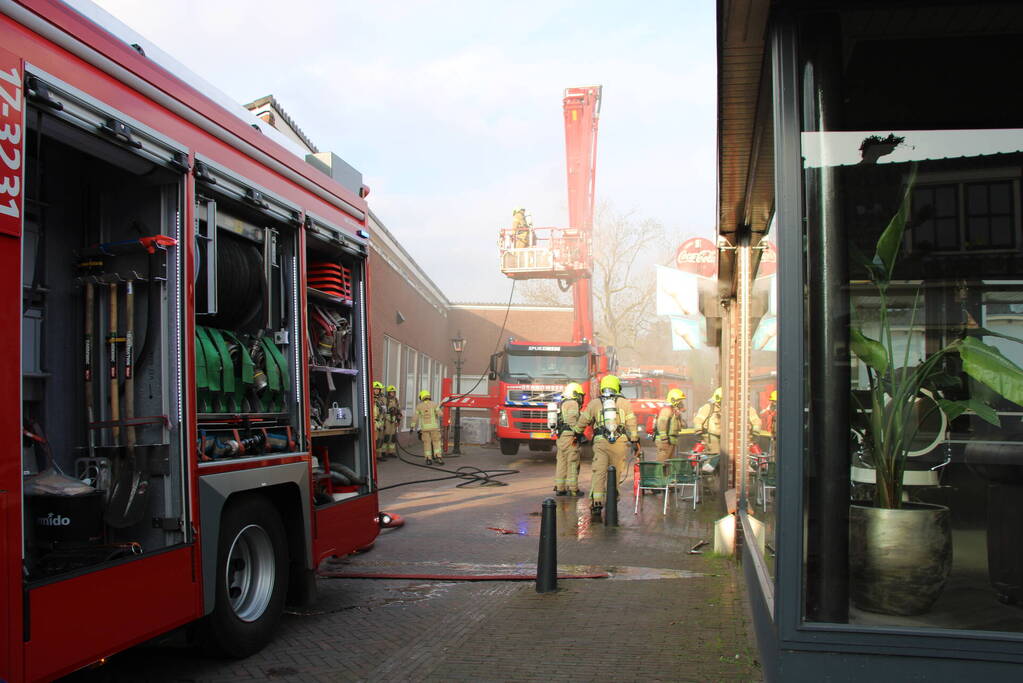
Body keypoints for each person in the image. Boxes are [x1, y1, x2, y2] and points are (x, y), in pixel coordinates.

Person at [574, 374, 639, 517]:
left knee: (599, 472)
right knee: (615, 473)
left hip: (601, 442)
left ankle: (596, 502)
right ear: (617, 387)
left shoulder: (595, 403)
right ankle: (612, 500)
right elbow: (632, 423)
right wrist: (635, 440)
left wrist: (577, 433)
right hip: (620, 442)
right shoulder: (624, 403)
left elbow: (583, 421)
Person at [694, 387, 762, 457]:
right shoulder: (708, 408)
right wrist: (699, 435)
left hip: (737, 438)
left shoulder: (745, 408)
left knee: (739, 455)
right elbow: (698, 420)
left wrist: (754, 436)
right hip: (713, 437)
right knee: (713, 455)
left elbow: (756, 422)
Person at [554, 382, 585, 497]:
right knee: (572, 462)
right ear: (575, 394)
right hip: (570, 437)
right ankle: (573, 489)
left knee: (561, 462)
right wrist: (578, 433)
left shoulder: (562, 403)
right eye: (580, 395)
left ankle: (560, 488)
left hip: (561, 436)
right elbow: (572, 420)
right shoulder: (572, 403)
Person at [654, 388, 687, 463]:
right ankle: (660, 471)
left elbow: (683, 425)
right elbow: (661, 424)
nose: (681, 402)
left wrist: (679, 415)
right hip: (665, 441)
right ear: (673, 400)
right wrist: (664, 439)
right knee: (662, 462)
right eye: (680, 400)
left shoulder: (674, 411)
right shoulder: (667, 410)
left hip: (670, 441)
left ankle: (665, 471)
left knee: (669, 462)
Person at [411, 389, 444, 465]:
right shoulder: (434, 404)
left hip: (425, 429)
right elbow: (441, 414)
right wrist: (437, 411)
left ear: (421, 397)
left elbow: (415, 417)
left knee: (427, 443)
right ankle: (438, 457)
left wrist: (412, 426)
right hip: (434, 428)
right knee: (436, 442)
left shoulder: (419, 406)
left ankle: (428, 459)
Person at [382, 385, 402, 458]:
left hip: (393, 420)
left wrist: (398, 419)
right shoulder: (385, 400)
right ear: (388, 392)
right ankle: (384, 452)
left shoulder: (396, 400)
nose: (392, 393)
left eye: (393, 392)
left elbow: (398, 410)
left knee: (393, 437)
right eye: (391, 392)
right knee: (386, 436)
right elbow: (382, 410)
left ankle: (391, 452)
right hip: (387, 420)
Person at [373, 381, 386, 461]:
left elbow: (384, 411)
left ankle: (379, 456)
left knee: (380, 440)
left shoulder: (380, 400)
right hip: (374, 423)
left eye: (378, 389)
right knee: (374, 441)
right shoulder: (370, 399)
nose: (377, 391)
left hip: (380, 423)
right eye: (375, 389)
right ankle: (373, 458)